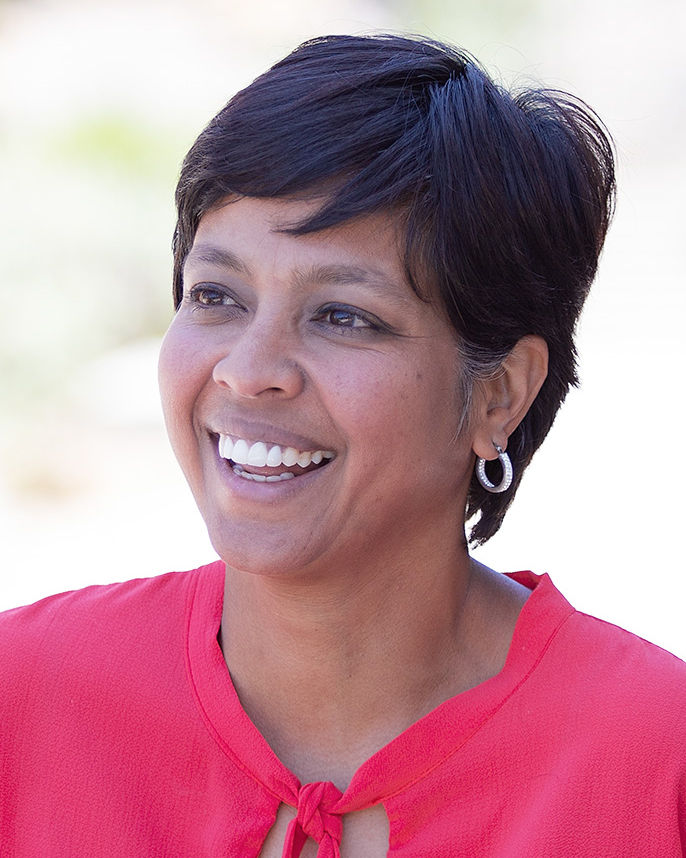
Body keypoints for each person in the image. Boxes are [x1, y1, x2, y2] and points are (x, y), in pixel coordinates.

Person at [1, 33, 685, 858]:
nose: (249, 372)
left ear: (500, 393)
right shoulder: (22, 695)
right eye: (217, 295)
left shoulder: (656, 765)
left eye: (343, 316)